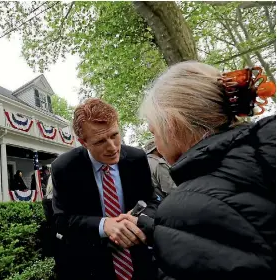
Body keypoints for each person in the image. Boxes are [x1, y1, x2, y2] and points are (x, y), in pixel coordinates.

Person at [115, 61, 275, 280]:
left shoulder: (185, 207)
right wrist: (161, 230)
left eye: (154, 132)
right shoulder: (263, 153)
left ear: (171, 126)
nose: (156, 144)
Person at [51, 98, 160, 280]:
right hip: (91, 264)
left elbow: (152, 201)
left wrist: (137, 219)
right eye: (100, 141)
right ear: (83, 142)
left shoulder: (137, 158)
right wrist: (104, 225)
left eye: (114, 135)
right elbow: (62, 220)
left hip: (139, 260)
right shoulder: (64, 168)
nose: (112, 147)